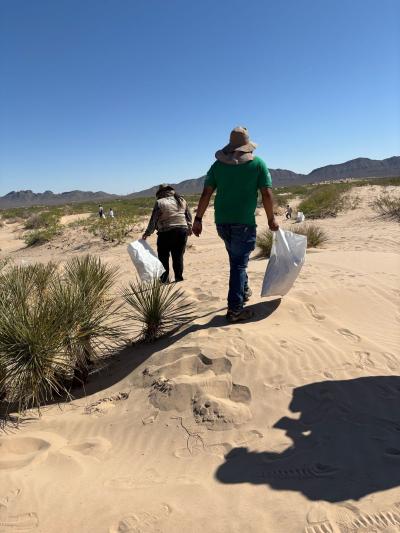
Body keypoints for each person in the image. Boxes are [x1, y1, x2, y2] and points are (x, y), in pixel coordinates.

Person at [193, 126, 279, 323]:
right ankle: (235, 310)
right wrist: (271, 218)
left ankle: (244, 290)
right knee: (239, 265)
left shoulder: (217, 166)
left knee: (236, 260)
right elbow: (266, 194)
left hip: (222, 223)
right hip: (244, 223)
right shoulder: (257, 164)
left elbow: (206, 193)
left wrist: (198, 219)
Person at [142, 184, 192, 283]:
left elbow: (153, 220)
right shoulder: (181, 200)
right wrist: (189, 228)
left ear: (160, 193)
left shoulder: (160, 202)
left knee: (163, 257)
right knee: (178, 256)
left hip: (165, 232)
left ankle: (164, 280)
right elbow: (188, 216)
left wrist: (147, 233)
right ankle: (179, 278)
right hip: (182, 231)